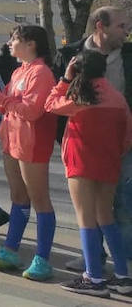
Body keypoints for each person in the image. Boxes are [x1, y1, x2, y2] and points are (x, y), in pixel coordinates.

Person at [46, 51, 132, 297]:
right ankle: (123, 276)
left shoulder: (79, 97)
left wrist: (64, 79)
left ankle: (93, 277)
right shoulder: (117, 97)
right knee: (106, 216)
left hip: (80, 160)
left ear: (78, 71)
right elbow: (127, 135)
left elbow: (50, 105)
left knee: (86, 218)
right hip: (109, 161)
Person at [0, 24, 58, 281]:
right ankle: (11, 249)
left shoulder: (41, 73)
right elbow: (8, 108)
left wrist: (0, 98)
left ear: (31, 43)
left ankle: (42, 259)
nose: (10, 44)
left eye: (14, 39)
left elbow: (33, 111)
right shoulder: (20, 71)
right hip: (12, 140)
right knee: (19, 198)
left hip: (32, 143)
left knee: (39, 200)